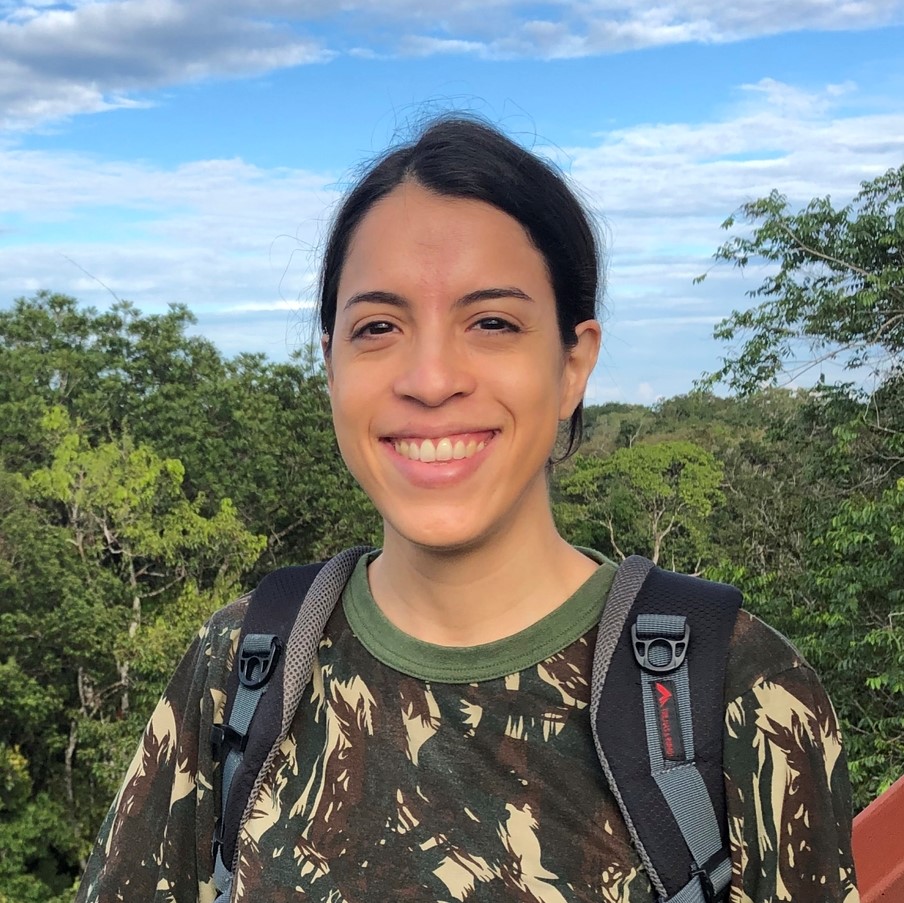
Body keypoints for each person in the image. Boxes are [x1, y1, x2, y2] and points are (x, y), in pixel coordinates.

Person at [76, 117, 859, 903]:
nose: (430, 376)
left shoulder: (738, 691)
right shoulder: (245, 665)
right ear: (332, 364)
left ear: (571, 364)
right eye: (378, 327)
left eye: (492, 322)